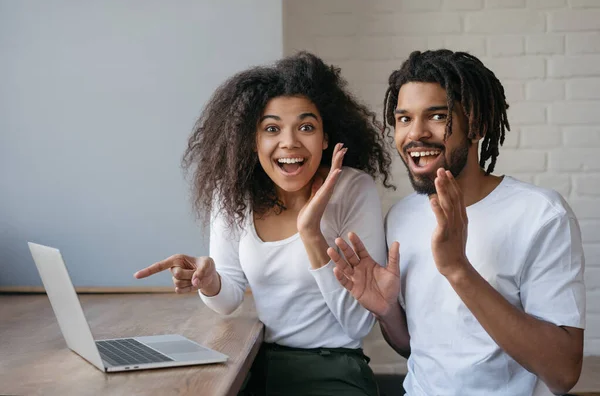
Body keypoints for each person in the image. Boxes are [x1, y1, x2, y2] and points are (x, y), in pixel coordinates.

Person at [134, 52, 394, 395]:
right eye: (272, 128)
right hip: (256, 361)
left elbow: (358, 324)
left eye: (306, 127)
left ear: (326, 137)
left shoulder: (352, 189)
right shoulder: (234, 195)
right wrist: (210, 280)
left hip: (333, 366)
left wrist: (311, 234)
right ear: (253, 140)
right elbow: (228, 300)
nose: (289, 142)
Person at [328, 50, 586, 396]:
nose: (415, 134)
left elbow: (563, 372)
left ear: (475, 125)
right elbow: (415, 347)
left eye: (436, 116)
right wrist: (388, 312)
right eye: (404, 119)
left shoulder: (541, 215)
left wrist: (458, 269)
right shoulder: (402, 216)